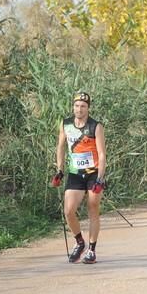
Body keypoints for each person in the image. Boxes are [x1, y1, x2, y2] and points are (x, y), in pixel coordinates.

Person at [51, 92, 106, 264]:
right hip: (75, 173)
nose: (79, 109)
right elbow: (60, 147)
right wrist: (59, 170)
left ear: (88, 108)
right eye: (76, 106)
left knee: (93, 208)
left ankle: (91, 250)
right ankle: (79, 242)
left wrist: (100, 178)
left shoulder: (96, 126)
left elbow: (102, 154)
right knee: (68, 211)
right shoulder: (66, 124)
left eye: (83, 106)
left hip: (93, 173)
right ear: (73, 107)